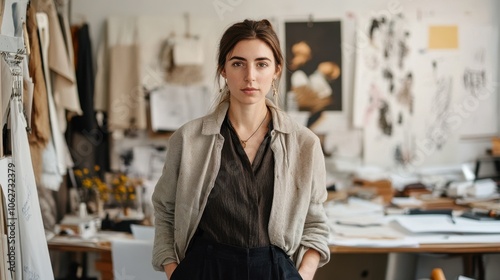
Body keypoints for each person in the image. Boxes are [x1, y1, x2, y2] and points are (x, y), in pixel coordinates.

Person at [152, 19, 330, 280]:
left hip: (274, 270)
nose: (250, 76)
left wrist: (302, 275)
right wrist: (173, 271)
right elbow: (165, 210)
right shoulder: (188, 139)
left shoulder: (305, 143)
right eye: (238, 63)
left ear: (277, 69)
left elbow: (315, 224)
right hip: (205, 269)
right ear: (223, 69)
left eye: (261, 64)